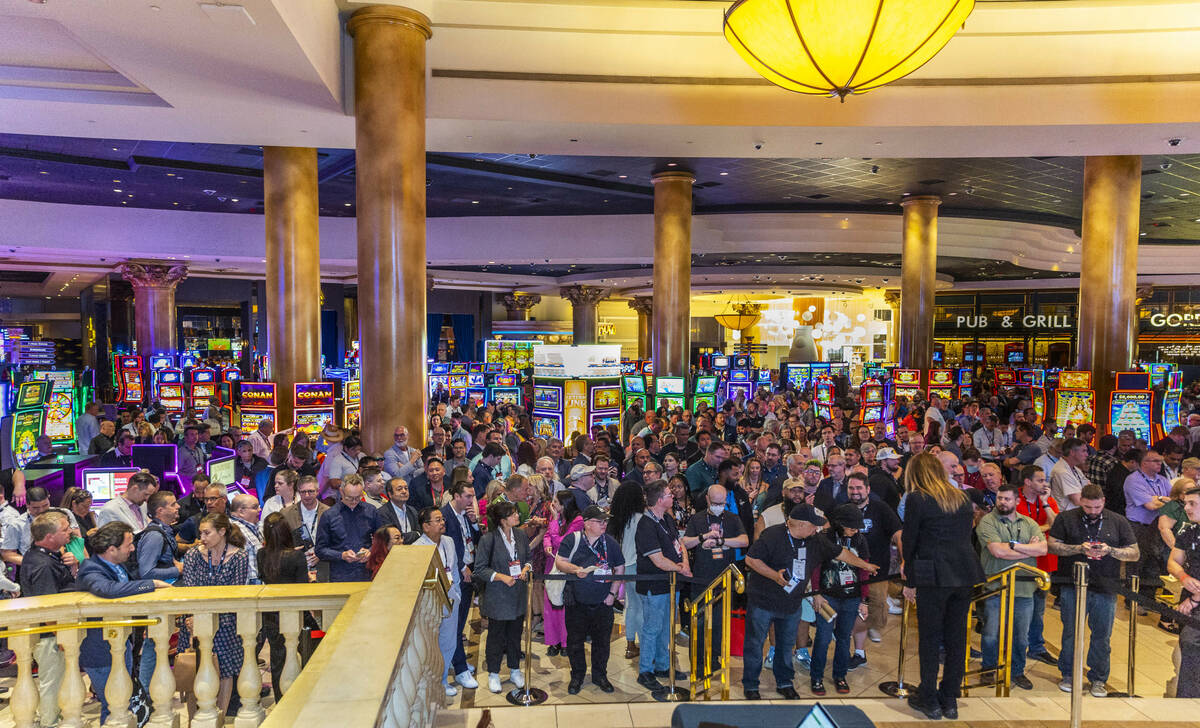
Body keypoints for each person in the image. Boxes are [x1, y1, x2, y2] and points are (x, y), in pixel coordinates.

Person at [742, 502, 876, 701]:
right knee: (755, 644)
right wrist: (774, 576)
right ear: (801, 525)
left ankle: (785, 682)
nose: (817, 528)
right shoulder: (772, 535)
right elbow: (751, 560)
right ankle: (751, 685)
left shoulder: (815, 540)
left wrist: (865, 565)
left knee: (787, 645)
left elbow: (841, 553)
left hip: (791, 604)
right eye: (814, 524)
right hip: (763, 602)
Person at [901, 452, 986, 721]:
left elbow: (910, 539)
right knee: (957, 638)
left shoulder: (918, 498)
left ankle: (929, 699)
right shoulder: (962, 497)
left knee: (929, 638)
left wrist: (909, 577)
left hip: (933, 574)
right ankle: (949, 699)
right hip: (963, 573)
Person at [1047, 483, 1139, 697]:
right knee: (1071, 632)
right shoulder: (1066, 518)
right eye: (1088, 508)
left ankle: (1098, 679)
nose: (1093, 512)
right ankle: (1068, 674)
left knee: (1102, 635)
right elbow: (1052, 545)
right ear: (1081, 502)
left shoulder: (1117, 521)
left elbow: (1134, 553)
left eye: (1097, 508)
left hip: (1106, 586)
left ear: (1103, 502)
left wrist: (1110, 551)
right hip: (1072, 584)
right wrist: (1079, 548)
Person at [76, 522, 172, 724]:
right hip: (99, 650)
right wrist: (151, 584)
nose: (133, 548)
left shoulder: (118, 565)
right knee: (114, 704)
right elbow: (108, 589)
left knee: (122, 703)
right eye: (128, 544)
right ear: (112, 549)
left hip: (121, 644)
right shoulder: (90, 568)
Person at [177, 512, 250, 716]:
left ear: (222, 531)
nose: (203, 538)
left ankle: (219, 716)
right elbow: (190, 589)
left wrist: (212, 617)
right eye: (201, 533)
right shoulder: (193, 555)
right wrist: (193, 618)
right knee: (195, 671)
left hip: (226, 623)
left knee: (225, 672)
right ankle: (194, 719)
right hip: (195, 622)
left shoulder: (239, 556)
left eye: (207, 533)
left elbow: (235, 594)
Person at [975, 483, 1046, 691]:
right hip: (995, 586)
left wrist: (1014, 547)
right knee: (991, 632)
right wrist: (1027, 550)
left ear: (1016, 501)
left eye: (1007, 499)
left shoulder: (1029, 523)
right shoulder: (987, 522)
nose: (1002, 502)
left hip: (1024, 589)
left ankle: (1017, 671)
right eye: (999, 498)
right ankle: (988, 668)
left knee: (1021, 635)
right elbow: (997, 551)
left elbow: (1042, 549)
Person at [554, 505, 625, 694]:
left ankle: (600, 675)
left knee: (602, 641)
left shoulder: (610, 543)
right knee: (575, 641)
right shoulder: (573, 540)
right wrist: (575, 570)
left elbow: (619, 568)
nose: (604, 524)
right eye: (599, 521)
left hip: (603, 602)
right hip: (576, 601)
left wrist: (612, 595)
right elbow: (559, 562)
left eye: (605, 521)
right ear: (586, 524)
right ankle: (577, 675)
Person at [682, 483, 749, 670]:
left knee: (719, 624)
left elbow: (744, 540)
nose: (719, 506)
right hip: (702, 578)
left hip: (724, 579)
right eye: (715, 502)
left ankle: (715, 660)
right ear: (707, 500)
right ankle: (698, 662)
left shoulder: (733, 519)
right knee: (700, 623)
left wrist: (722, 540)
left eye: (722, 503)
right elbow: (684, 543)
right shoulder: (697, 519)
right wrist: (703, 538)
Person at [18, 511, 75, 728]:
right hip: (49, 636)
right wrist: (60, 636)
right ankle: (50, 722)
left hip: (49, 634)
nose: (70, 531)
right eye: (64, 529)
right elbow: (48, 607)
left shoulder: (42, 556)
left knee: (54, 680)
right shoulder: (43, 564)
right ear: (49, 537)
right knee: (52, 682)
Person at [634, 479, 691, 692]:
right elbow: (657, 560)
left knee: (667, 627)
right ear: (659, 500)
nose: (673, 496)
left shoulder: (666, 519)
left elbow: (680, 544)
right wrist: (681, 569)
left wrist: (683, 562)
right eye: (669, 493)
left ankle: (663, 665)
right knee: (652, 628)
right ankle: (645, 671)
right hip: (654, 585)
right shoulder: (646, 525)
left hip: (671, 584)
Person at [810, 503, 873, 696]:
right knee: (823, 637)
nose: (854, 530)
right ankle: (817, 676)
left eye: (857, 527)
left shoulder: (860, 541)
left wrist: (864, 600)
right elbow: (815, 567)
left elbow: (864, 571)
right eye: (851, 526)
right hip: (828, 598)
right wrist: (816, 593)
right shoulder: (825, 538)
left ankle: (840, 675)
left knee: (844, 638)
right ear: (839, 523)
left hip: (851, 599)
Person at [475, 500, 531, 693]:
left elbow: (529, 559)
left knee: (516, 635)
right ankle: (493, 673)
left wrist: (525, 568)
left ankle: (515, 669)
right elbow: (480, 569)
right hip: (498, 596)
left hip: (518, 594)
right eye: (513, 514)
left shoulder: (521, 535)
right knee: (496, 637)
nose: (518, 516)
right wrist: (500, 577)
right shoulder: (488, 540)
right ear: (503, 520)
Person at [256, 512, 313, 703]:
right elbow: (303, 587)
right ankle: (304, 695)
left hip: (271, 614)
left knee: (278, 658)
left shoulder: (262, 555)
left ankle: (282, 699)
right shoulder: (296, 556)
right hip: (296, 612)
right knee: (308, 653)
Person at [847, 471, 902, 656]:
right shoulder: (843, 508)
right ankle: (856, 636)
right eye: (851, 488)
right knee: (852, 605)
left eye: (859, 488)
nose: (855, 492)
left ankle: (871, 625)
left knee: (877, 604)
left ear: (868, 489)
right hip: (850, 568)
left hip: (877, 568)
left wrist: (904, 558)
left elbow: (897, 533)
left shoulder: (881, 508)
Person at [416, 507, 464, 697]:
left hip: (451, 598)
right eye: (437, 520)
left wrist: (457, 595)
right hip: (430, 604)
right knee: (430, 645)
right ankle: (430, 681)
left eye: (442, 519)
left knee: (449, 642)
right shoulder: (417, 548)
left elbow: (454, 571)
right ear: (426, 526)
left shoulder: (448, 541)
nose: (442, 522)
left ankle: (443, 680)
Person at [1014, 464, 1059, 666]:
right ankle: (1016, 650)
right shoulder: (1014, 499)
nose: (1044, 484)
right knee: (1020, 609)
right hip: (1020, 562)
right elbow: (1018, 530)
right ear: (1027, 481)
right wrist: (1043, 528)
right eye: (1040, 480)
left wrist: (1045, 504)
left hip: (1044, 561)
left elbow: (1056, 525)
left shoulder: (1048, 500)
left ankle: (1037, 647)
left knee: (1039, 608)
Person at [441, 480, 481, 691]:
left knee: (461, 623)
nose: (471, 500)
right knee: (454, 626)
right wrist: (462, 566)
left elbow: (473, 540)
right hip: (456, 576)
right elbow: (447, 549)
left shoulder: (465, 515)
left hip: (468, 573)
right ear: (456, 496)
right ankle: (459, 669)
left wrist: (474, 523)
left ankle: (459, 661)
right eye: (467, 496)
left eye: (472, 496)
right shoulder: (445, 516)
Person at [315, 473, 382, 582]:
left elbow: (381, 540)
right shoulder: (329, 515)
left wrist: (370, 551)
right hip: (340, 574)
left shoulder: (371, 511)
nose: (354, 501)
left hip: (367, 572)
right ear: (341, 492)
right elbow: (320, 550)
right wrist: (341, 555)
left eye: (358, 497)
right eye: (350, 497)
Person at [608, 481, 646, 662]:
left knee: (631, 605)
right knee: (641, 606)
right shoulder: (642, 517)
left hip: (624, 565)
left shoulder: (618, 518)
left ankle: (630, 643)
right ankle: (644, 643)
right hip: (639, 565)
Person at [543, 490, 583, 656]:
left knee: (565, 605)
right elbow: (548, 536)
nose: (553, 505)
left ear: (564, 504)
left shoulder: (578, 521)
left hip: (566, 566)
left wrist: (554, 522)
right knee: (550, 605)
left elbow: (562, 541)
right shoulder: (558, 518)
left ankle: (567, 642)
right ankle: (554, 642)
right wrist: (546, 545)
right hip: (551, 564)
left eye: (556, 502)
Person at [281, 476, 329, 578]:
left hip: (323, 567)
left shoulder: (329, 512)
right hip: (296, 567)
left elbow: (336, 540)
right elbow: (280, 542)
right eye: (303, 492)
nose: (307, 495)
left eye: (311, 491)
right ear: (298, 492)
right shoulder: (286, 513)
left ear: (317, 491)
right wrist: (292, 552)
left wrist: (321, 554)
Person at [135, 490, 182, 582]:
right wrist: (178, 570)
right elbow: (146, 573)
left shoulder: (163, 531)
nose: (178, 506)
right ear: (160, 511)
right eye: (173, 504)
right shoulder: (155, 536)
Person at [229, 493, 264, 584]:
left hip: (259, 581)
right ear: (241, 512)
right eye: (255, 507)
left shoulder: (256, 525)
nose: (259, 510)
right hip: (247, 584)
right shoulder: (233, 529)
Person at [1050, 437, 1091, 511]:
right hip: (1066, 518)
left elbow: (1092, 489)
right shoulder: (1062, 471)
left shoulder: (1076, 469)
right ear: (1072, 452)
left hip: (1076, 514)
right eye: (1084, 451)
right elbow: (1078, 501)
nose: (1087, 455)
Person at [377, 477, 420, 543]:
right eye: (399, 489)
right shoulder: (382, 513)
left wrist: (415, 534)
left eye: (406, 488)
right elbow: (391, 539)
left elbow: (419, 533)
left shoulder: (412, 510)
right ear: (390, 494)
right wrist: (414, 534)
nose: (404, 491)